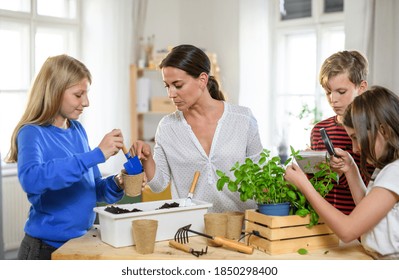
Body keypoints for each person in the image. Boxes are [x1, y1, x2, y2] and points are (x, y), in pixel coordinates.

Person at [6, 54, 125, 260]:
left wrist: (117, 183)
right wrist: (95, 155)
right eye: (78, 95)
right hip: (44, 250)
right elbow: (32, 180)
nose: (86, 102)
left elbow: (93, 189)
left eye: (86, 94)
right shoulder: (32, 133)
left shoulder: (77, 130)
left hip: (80, 243)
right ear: (55, 92)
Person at [132, 44, 263, 213]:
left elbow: (260, 176)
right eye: (167, 86)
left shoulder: (243, 119)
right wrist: (147, 158)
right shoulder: (168, 127)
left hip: (241, 228)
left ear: (202, 80)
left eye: (178, 85)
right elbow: (158, 185)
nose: (171, 94)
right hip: (191, 230)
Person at [285, 86, 399, 259]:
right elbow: (366, 212)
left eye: (356, 138)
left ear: (383, 130)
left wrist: (304, 186)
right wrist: (350, 168)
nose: (355, 148)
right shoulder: (386, 168)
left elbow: (347, 231)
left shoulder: (395, 172)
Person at [310, 50, 374, 214]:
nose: (333, 99)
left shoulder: (373, 133)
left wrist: (342, 172)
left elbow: (374, 193)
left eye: (341, 92)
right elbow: (317, 187)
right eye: (328, 92)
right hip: (324, 223)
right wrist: (309, 165)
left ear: (361, 88)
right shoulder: (319, 131)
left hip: (357, 225)